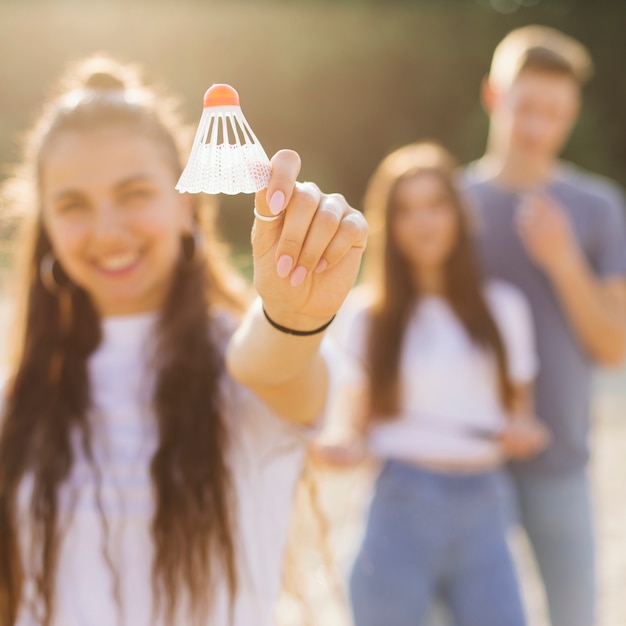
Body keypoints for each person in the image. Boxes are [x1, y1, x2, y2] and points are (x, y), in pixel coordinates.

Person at [0, 55, 367, 626]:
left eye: (134, 193)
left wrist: (291, 315)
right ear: (44, 221)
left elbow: (268, 366)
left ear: (187, 203)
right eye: (73, 205)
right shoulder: (16, 389)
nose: (107, 231)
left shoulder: (240, 347)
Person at [313, 142, 549, 626]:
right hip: (400, 508)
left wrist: (523, 432)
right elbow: (350, 426)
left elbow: (519, 412)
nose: (424, 223)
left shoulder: (505, 308)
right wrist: (339, 446)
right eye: (407, 211)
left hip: (486, 508)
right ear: (389, 224)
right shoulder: (366, 317)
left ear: (458, 214)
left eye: (436, 206)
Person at [460, 25, 626, 626]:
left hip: (562, 461)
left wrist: (563, 261)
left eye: (554, 114)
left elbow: (613, 347)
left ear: (573, 114)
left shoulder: (597, 207)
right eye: (525, 107)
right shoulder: (447, 205)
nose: (537, 129)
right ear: (493, 96)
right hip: (467, 464)